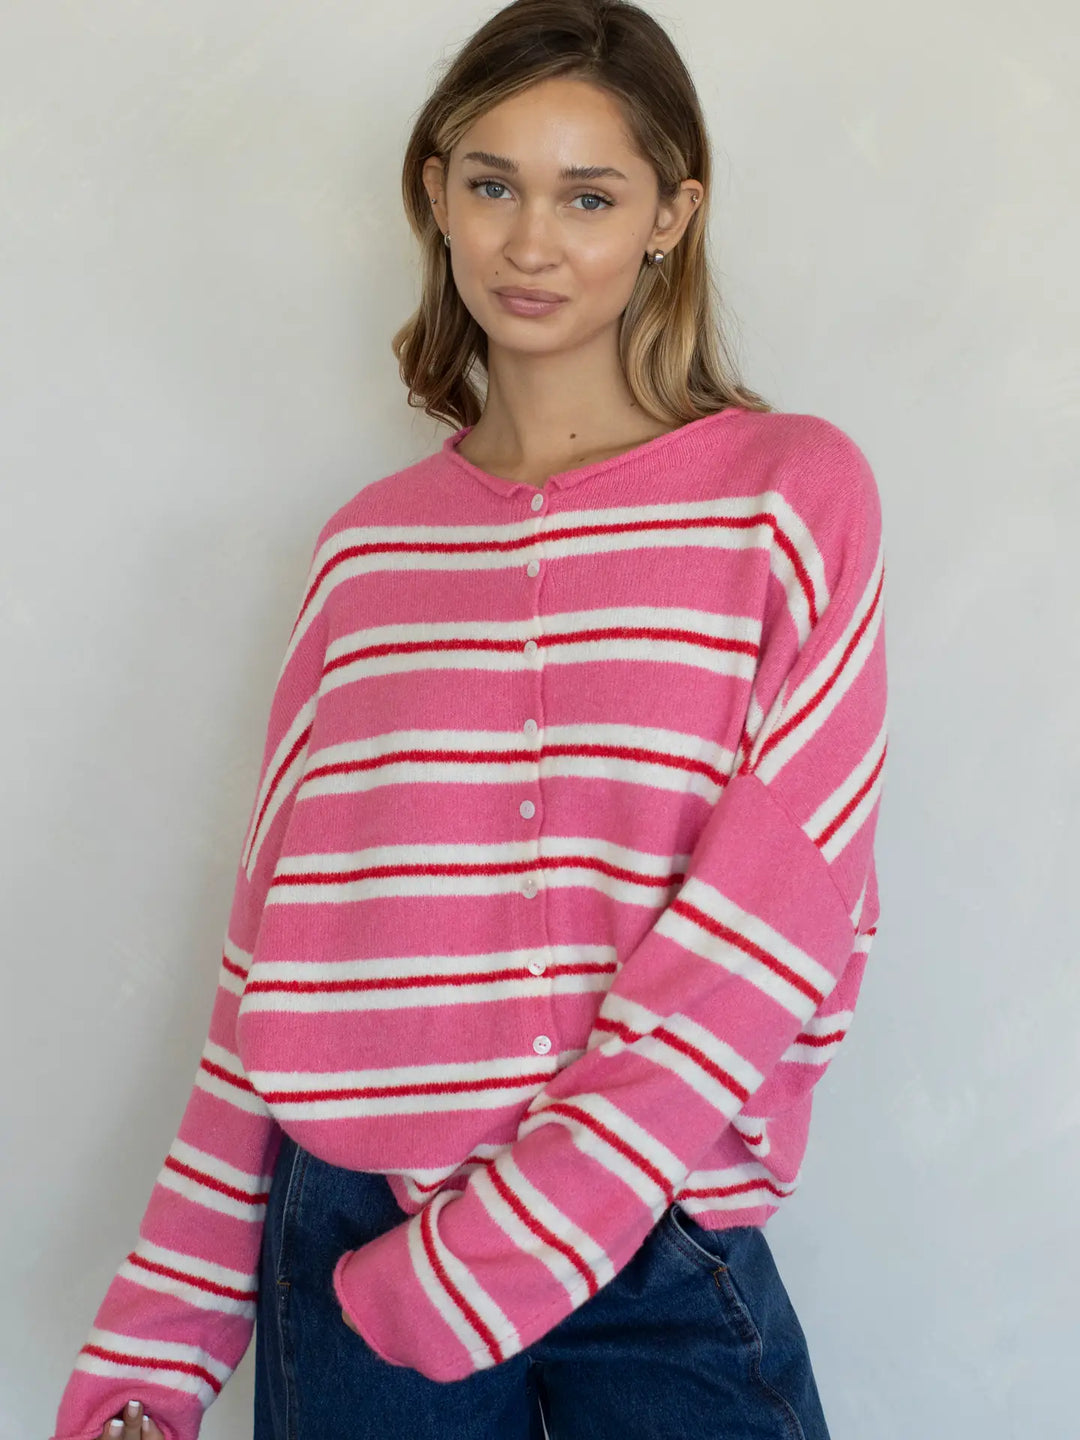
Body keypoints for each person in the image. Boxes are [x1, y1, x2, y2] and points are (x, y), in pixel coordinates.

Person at [51, 1, 887, 1437]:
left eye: (590, 195)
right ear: (436, 195)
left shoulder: (789, 498)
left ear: (673, 216)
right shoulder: (367, 554)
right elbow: (275, 965)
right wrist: (159, 1346)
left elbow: (786, 909)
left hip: (652, 1228)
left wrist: (524, 1233)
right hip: (351, 1231)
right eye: (494, 184)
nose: (531, 242)